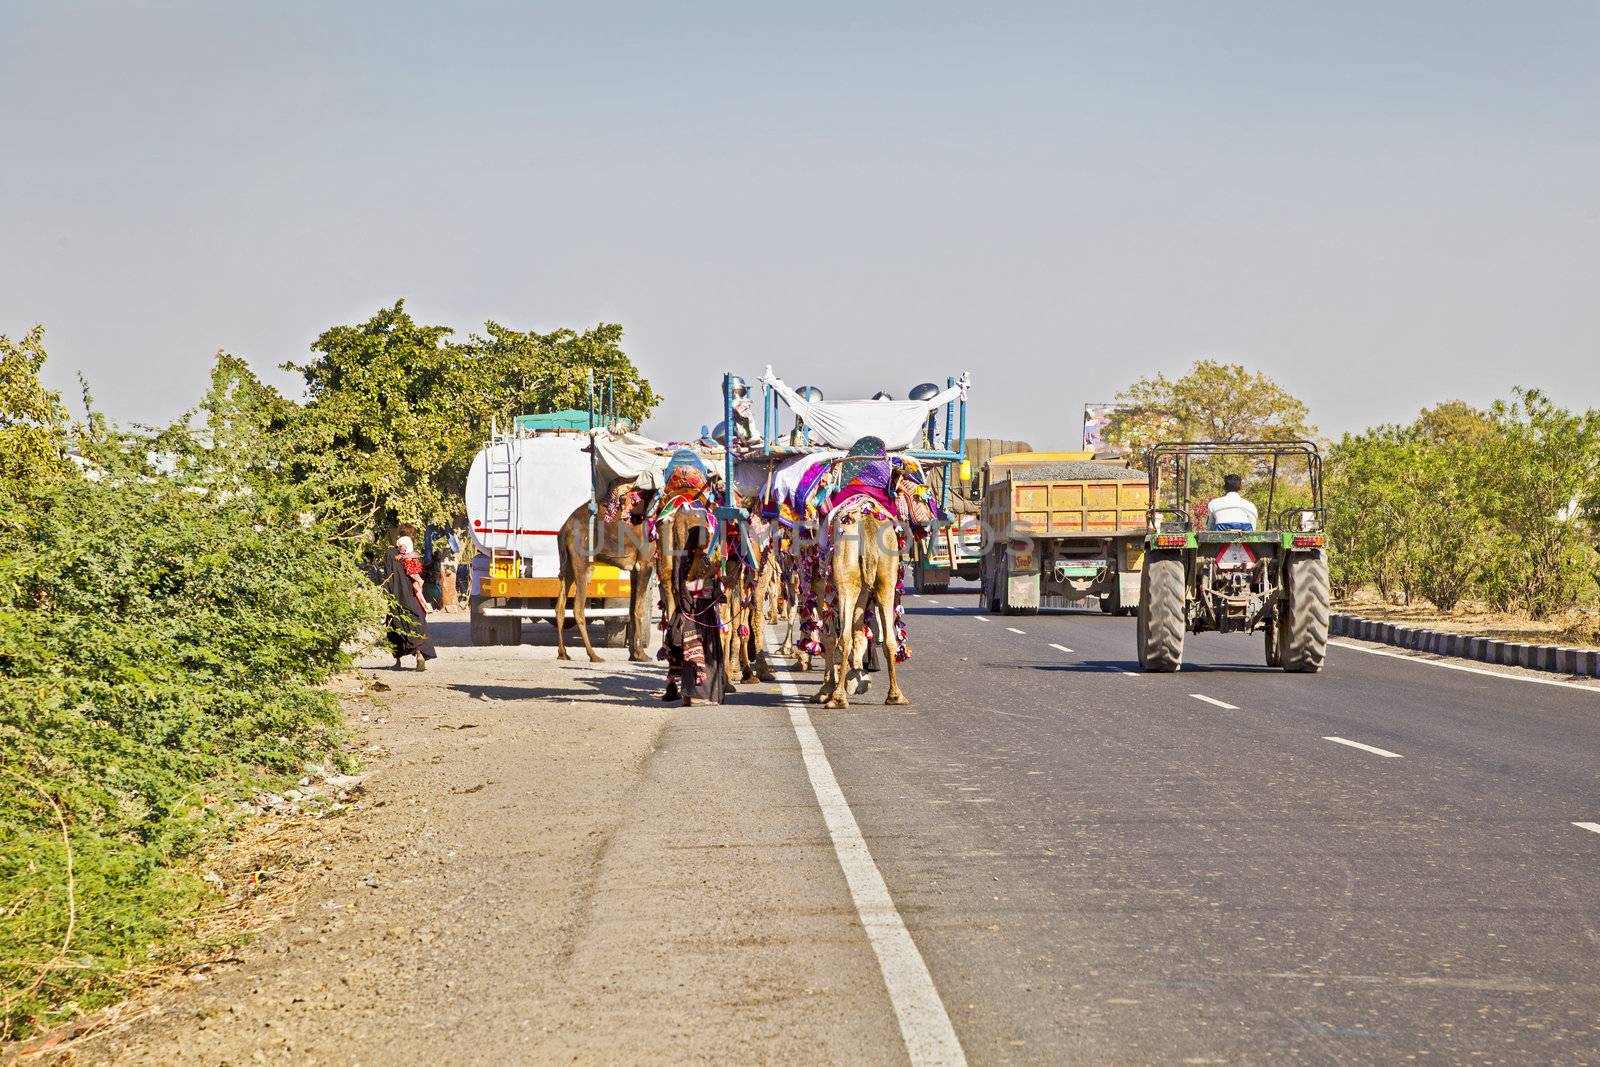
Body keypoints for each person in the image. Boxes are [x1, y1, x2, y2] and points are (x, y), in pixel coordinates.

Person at [384, 533, 438, 670]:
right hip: (411, 599)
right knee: (417, 626)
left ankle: (398, 662)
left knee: (395, 629)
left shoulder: (390, 555)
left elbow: (387, 576)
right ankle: (419, 654)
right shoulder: (412, 559)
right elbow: (417, 579)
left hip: (395, 599)